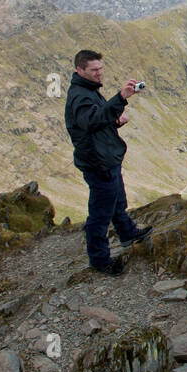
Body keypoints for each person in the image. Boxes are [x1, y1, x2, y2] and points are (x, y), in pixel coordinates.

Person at [64, 49, 151, 275]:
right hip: (98, 163)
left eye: (101, 69)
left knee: (117, 201)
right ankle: (100, 260)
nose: (99, 74)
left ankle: (127, 233)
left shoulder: (88, 90)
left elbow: (97, 121)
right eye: (94, 70)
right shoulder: (80, 96)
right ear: (79, 70)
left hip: (107, 158)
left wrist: (115, 121)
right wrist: (121, 98)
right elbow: (92, 120)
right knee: (100, 214)